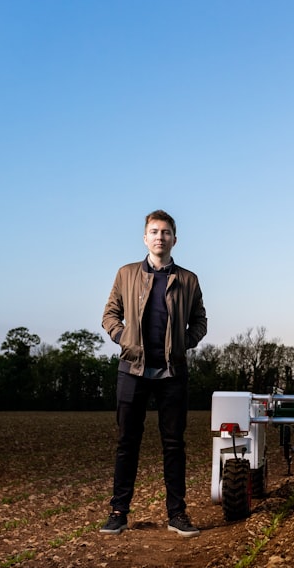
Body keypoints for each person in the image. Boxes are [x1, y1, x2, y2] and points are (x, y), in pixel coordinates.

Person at [100, 209, 208, 537]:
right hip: (132, 371)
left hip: (172, 374)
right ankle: (118, 512)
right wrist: (126, 339)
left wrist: (182, 345)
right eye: (154, 231)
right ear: (145, 238)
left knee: (174, 444)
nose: (160, 237)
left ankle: (177, 514)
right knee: (126, 443)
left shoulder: (188, 280)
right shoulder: (126, 273)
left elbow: (200, 321)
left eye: (166, 232)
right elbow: (109, 315)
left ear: (175, 239)